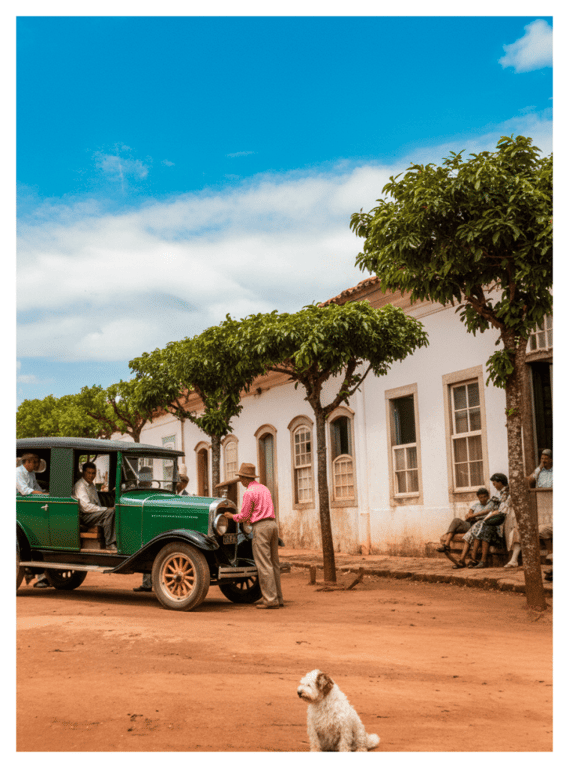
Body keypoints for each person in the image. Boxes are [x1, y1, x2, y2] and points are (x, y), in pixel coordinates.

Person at [224, 462, 284, 609]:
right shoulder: (264, 489)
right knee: (274, 563)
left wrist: (231, 516)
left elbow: (244, 516)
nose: (241, 481)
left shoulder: (249, 493)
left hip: (261, 527)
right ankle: (278, 598)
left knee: (264, 564)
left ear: (245, 479)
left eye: (241, 479)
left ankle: (270, 600)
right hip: (273, 525)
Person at [134, 473, 190, 593]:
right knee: (148, 548)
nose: (178, 483)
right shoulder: (165, 493)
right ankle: (147, 584)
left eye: (180, 481)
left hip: (174, 527)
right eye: (177, 481)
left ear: (185, 484)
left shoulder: (187, 496)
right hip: (159, 525)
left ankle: (165, 584)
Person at [17, 454, 51, 588]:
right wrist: (43, 495)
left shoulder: (31, 474)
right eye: (35, 462)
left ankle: (39, 574)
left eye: (38, 462)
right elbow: (25, 491)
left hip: (30, 509)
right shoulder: (17, 473)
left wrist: (46, 493)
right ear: (28, 462)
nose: (37, 465)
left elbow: (37, 488)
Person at [73, 462, 117, 551]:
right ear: (83, 473)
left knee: (111, 512)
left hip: (91, 514)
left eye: (93, 473)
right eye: (89, 473)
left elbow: (97, 503)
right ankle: (109, 543)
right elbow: (86, 507)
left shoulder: (92, 485)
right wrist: (105, 509)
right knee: (109, 512)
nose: (91, 476)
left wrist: (102, 510)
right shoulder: (80, 486)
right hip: (84, 516)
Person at [437, 487, 494, 552]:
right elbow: (470, 513)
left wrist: (473, 515)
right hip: (471, 523)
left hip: (480, 525)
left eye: (484, 497)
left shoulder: (490, 504)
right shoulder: (476, 505)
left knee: (454, 528)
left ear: (488, 496)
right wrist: (469, 516)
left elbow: (488, 512)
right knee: (456, 520)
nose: (483, 499)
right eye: (480, 497)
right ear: (478, 497)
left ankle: (448, 542)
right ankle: (446, 545)